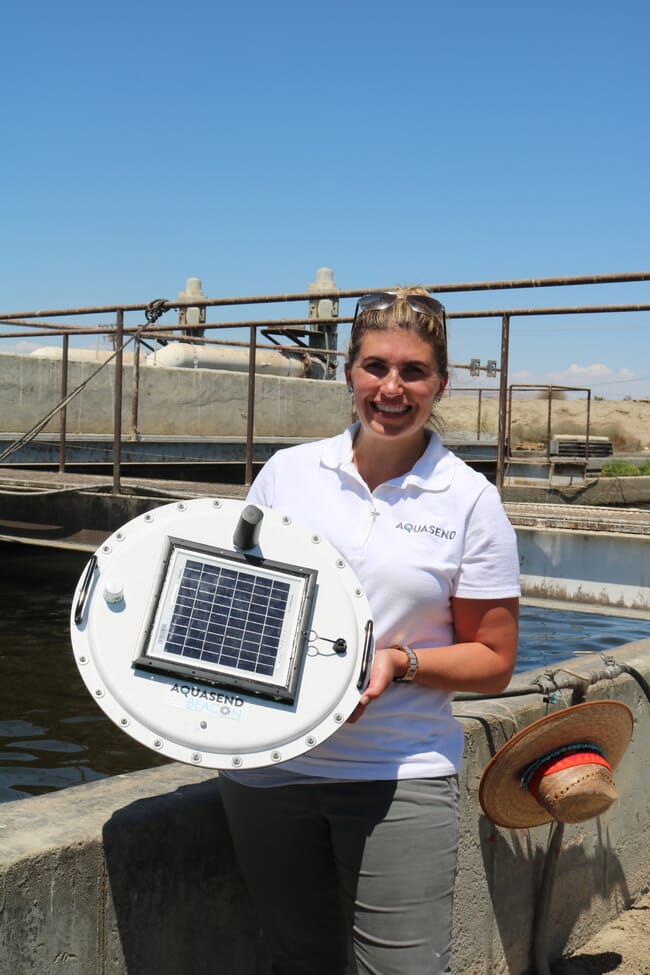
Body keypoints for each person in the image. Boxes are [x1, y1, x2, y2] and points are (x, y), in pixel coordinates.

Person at [219, 287, 520, 975]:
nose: (392, 387)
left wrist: (400, 661)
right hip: (268, 770)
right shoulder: (288, 473)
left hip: (396, 769)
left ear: (440, 382)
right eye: (375, 366)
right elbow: (239, 604)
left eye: (413, 371)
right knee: (298, 960)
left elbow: (495, 659)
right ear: (349, 370)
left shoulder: (471, 499)